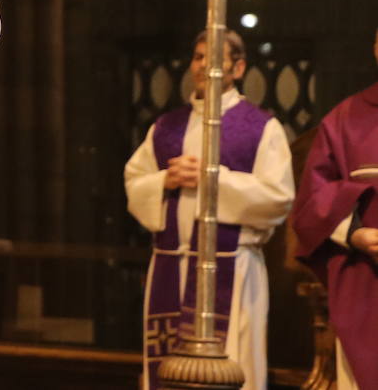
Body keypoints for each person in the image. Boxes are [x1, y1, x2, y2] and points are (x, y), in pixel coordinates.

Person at [123, 31, 293, 390]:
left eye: (214, 58)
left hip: (234, 270)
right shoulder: (166, 127)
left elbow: (278, 198)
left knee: (234, 366)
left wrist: (214, 180)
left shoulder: (261, 127)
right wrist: (165, 181)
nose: (204, 66)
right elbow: (134, 184)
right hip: (173, 265)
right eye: (199, 57)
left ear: (239, 67)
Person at [292, 27, 378, 390]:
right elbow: (312, 199)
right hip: (367, 283)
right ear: (376, 48)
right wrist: (355, 233)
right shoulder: (345, 119)